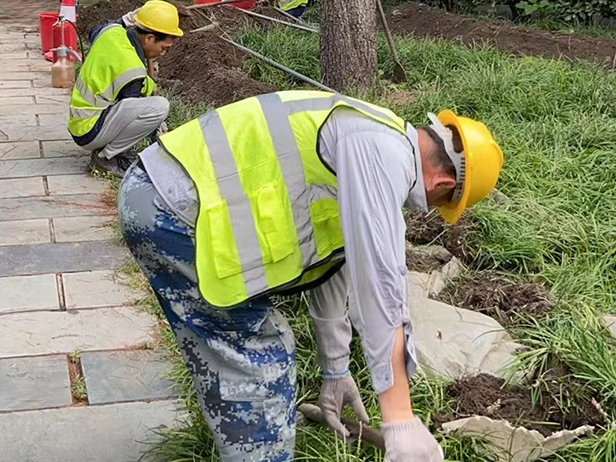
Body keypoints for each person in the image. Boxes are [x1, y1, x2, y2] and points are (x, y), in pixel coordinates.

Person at [118, 90, 504, 462]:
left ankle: (234, 434)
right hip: (174, 209)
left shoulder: (370, 140)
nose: (427, 210)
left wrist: (335, 368)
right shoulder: (382, 151)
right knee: (261, 362)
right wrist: (399, 418)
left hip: (163, 198)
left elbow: (331, 266)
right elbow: (382, 286)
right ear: (444, 185)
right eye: (440, 205)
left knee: (228, 354)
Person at [68, 0, 183, 178]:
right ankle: (106, 158)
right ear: (150, 38)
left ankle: (112, 150)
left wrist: (123, 20)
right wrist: (157, 131)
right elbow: (136, 113)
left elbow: (94, 31)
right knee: (159, 107)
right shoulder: (132, 69)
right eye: (163, 48)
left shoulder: (111, 32)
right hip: (90, 131)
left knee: (144, 108)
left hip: (80, 121)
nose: (163, 53)